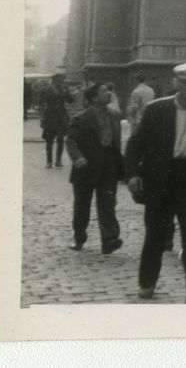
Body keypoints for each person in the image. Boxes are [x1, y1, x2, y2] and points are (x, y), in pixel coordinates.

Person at [124, 62, 186, 303]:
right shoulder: (156, 109)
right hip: (159, 179)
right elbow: (135, 144)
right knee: (155, 236)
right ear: (176, 83)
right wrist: (133, 174)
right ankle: (147, 283)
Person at [65, 83, 124, 253]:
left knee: (108, 204)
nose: (108, 93)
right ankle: (79, 238)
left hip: (108, 166)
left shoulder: (114, 116)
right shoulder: (80, 118)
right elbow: (71, 140)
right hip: (86, 167)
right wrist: (77, 157)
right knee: (82, 206)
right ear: (93, 98)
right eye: (104, 91)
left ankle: (109, 240)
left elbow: (116, 141)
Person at [39, 73, 73, 169]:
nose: (61, 83)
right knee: (49, 140)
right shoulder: (45, 89)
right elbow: (41, 104)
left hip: (61, 117)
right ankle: (49, 161)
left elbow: (70, 100)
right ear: (54, 80)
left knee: (60, 139)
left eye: (62, 81)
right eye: (59, 81)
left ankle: (58, 160)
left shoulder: (64, 89)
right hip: (49, 116)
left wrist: (72, 94)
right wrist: (41, 116)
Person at [126, 72, 155, 136]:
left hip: (139, 119)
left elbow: (134, 107)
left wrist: (131, 117)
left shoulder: (136, 92)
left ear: (136, 80)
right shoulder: (151, 90)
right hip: (149, 118)